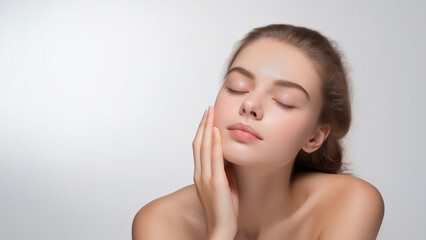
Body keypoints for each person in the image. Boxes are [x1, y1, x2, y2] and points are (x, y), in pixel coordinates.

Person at [132, 24, 385, 240]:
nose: (250, 105)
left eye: (284, 100)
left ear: (315, 137)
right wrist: (220, 231)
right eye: (237, 87)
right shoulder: (159, 222)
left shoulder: (350, 202)